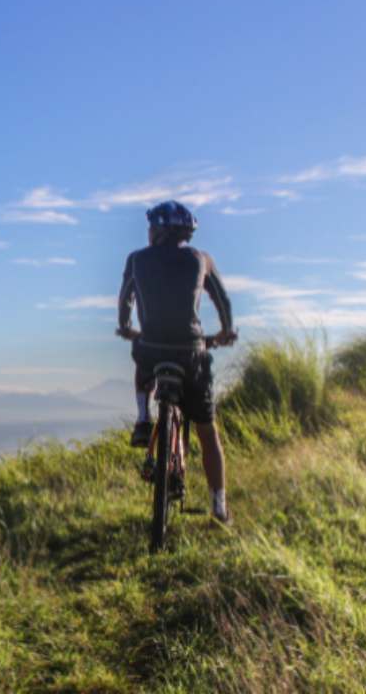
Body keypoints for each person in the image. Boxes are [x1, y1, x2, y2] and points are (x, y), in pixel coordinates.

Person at [116, 200, 237, 523]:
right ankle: (219, 508)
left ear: (157, 230)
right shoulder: (202, 259)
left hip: (151, 348)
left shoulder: (137, 259)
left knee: (141, 358)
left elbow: (125, 298)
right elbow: (222, 301)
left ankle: (143, 419)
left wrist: (127, 328)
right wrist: (225, 332)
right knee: (207, 430)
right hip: (191, 351)